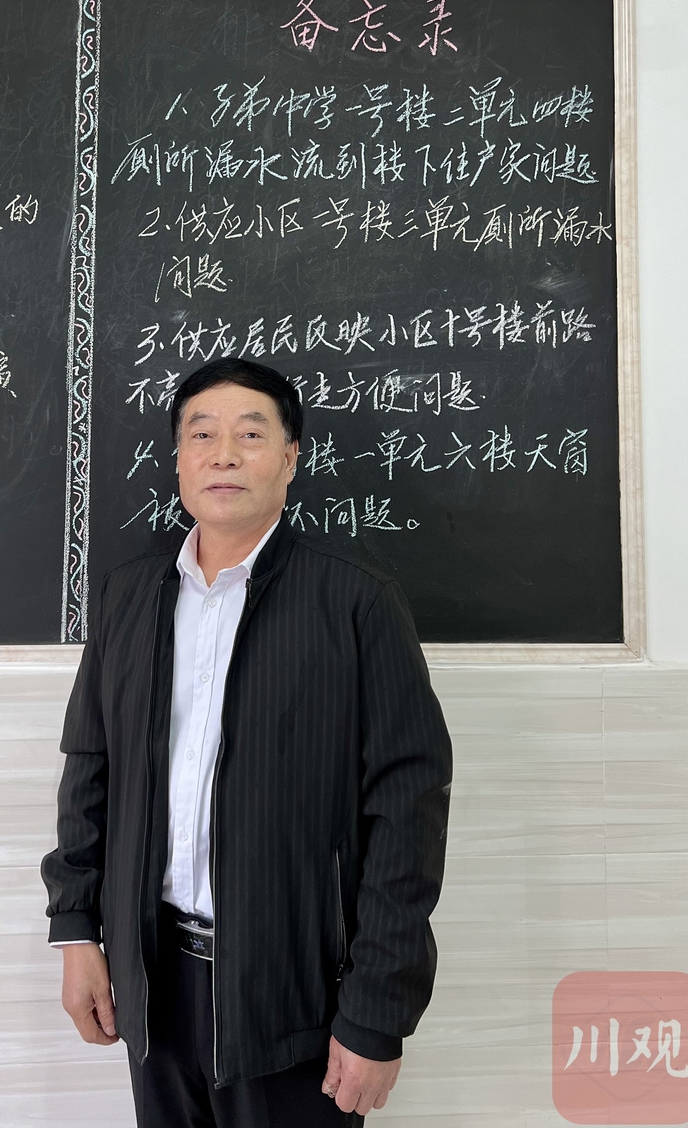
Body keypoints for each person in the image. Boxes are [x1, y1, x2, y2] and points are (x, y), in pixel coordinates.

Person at [41, 357, 452, 1127]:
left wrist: (377, 1009)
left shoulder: (356, 601)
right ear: (178, 458)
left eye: (251, 434)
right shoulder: (129, 594)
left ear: (290, 458)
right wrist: (76, 929)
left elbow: (408, 811)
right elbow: (90, 766)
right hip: (153, 982)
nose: (223, 453)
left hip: (294, 994)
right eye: (202, 434)